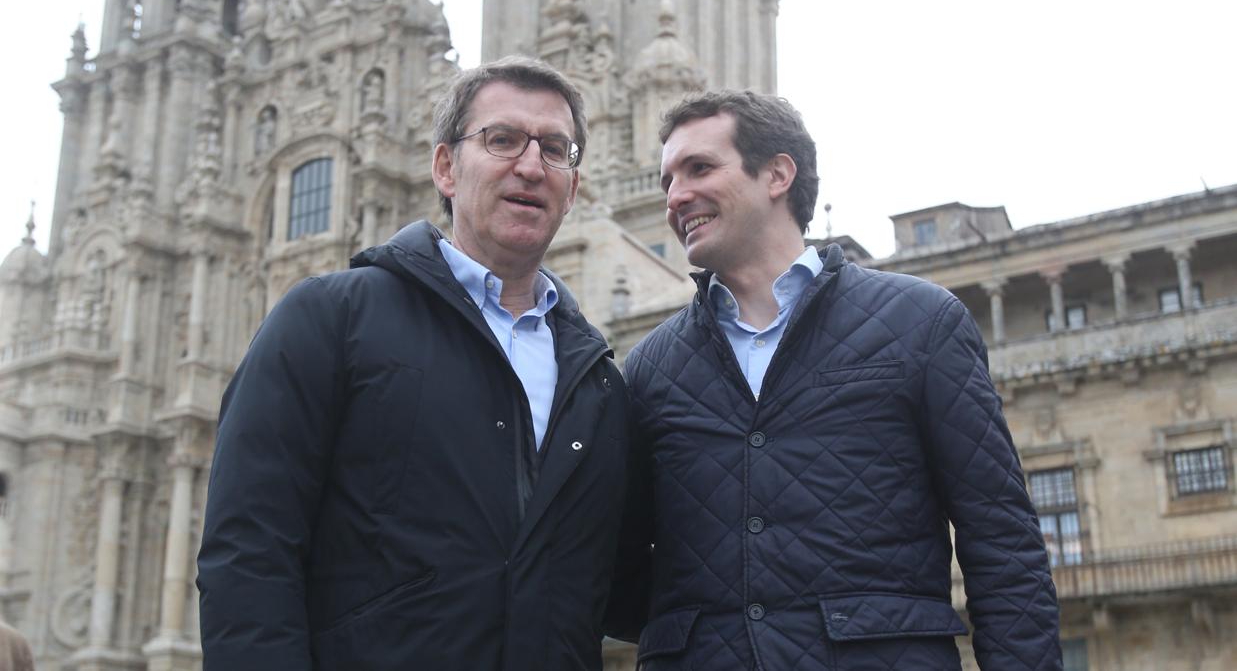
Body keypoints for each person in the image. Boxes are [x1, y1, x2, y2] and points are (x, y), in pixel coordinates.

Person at [198, 56, 631, 671]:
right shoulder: (329, 318)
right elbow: (248, 552)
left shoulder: (598, 381)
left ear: (574, 186)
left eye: (555, 149)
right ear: (445, 168)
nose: (531, 166)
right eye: (502, 140)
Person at [607, 91, 1063, 670]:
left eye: (699, 168)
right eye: (667, 178)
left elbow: (1002, 542)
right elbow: (619, 563)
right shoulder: (650, 367)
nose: (676, 195)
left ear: (777, 174)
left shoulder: (919, 323)